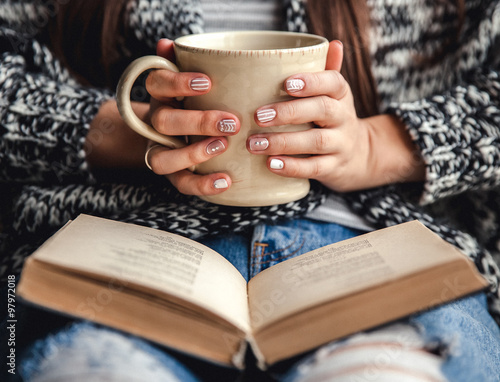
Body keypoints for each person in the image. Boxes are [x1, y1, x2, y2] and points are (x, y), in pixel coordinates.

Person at [1, 0, 500, 381]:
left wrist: (375, 147)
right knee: (94, 366)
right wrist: (138, 136)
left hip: (373, 242)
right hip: (127, 242)